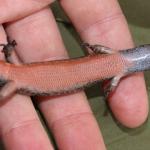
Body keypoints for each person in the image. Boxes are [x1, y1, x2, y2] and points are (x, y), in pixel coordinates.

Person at [0, 0, 148, 149]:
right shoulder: (116, 71)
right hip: (33, 75)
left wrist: (9, 49)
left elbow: (99, 49)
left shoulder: (113, 58)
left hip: (30, 75)